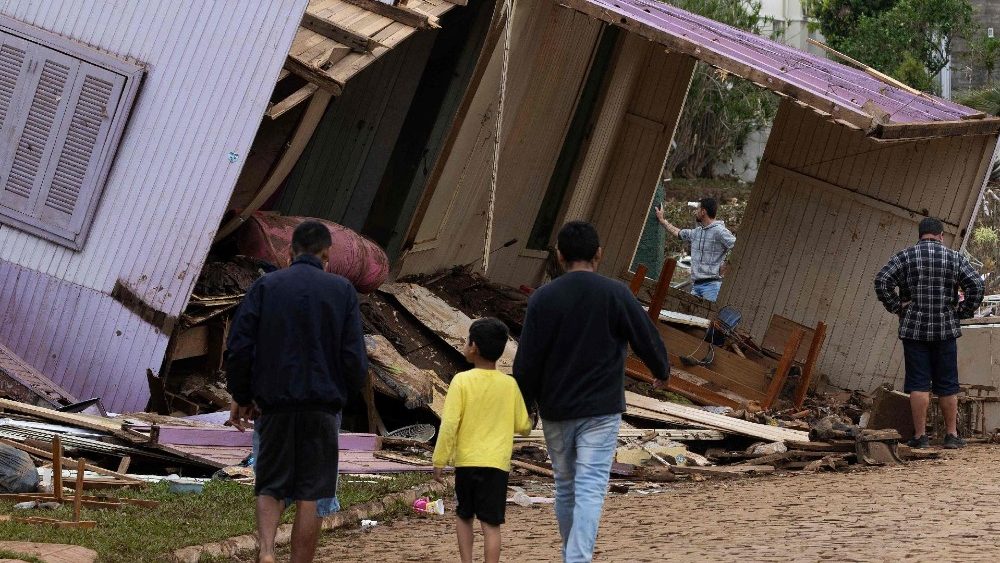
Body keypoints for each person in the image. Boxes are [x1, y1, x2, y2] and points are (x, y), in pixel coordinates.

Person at [513, 221, 670, 563]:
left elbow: (527, 360)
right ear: (599, 254)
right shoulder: (615, 293)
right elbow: (646, 335)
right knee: (589, 486)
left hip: (556, 409)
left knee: (566, 487)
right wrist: (661, 371)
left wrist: (523, 405)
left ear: (559, 255)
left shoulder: (542, 298)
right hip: (601, 409)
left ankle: (574, 556)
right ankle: (577, 558)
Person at [225, 221, 368, 563]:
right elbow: (355, 359)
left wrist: (243, 395)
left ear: (289, 254)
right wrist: (340, 394)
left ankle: (266, 552)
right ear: (327, 255)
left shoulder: (266, 286)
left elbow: (239, 347)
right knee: (311, 493)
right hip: (321, 407)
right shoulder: (343, 291)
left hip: (273, 405)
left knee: (270, 483)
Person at [874, 217, 984, 450]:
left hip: (914, 330)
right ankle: (951, 435)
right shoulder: (954, 258)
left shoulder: (905, 256)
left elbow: (882, 280)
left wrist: (897, 306)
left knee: (918, 383)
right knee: (947, 384)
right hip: (945, 329)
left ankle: (921, 436)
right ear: (941, 235)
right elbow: (976, 285)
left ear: (920, 235)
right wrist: (962, 311)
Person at [432, 318, 533, 563]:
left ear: (473, 346)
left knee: (464, 515)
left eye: (467, 340)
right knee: (491, 524)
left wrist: (439, 459)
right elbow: (523, 426)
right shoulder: (509, 385)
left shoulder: (461, 381)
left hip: (467, 463)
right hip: (497, 465)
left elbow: (450, 425)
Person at [655, 197, 736, 302]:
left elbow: (739, 247)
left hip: (712, 287)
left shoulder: (720, 232)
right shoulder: (696, 232)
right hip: (695, 286)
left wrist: (726, 265)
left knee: (711, 317)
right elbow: (678, 233)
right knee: (691, 317)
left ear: (703, 212)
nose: (695, 212)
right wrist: (662, 220)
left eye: (698, 209)